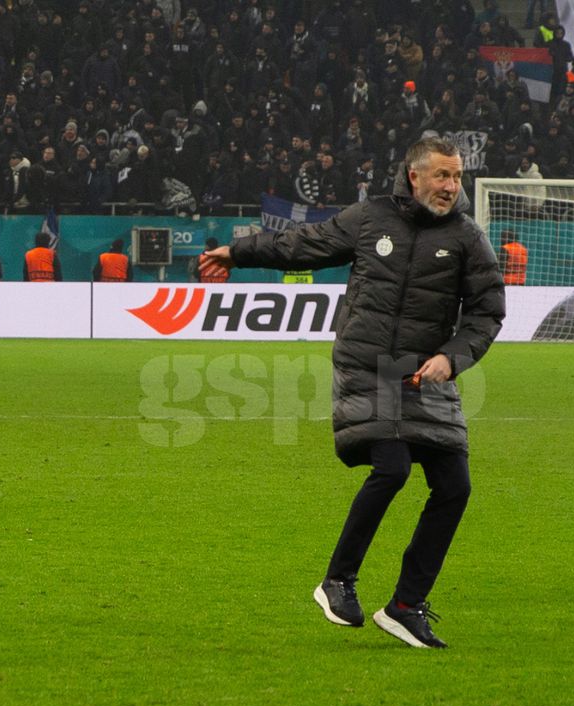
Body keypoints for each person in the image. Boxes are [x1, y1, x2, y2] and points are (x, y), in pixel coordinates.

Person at [199, 137, 505, 648]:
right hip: (369, 365)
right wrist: (238, 251)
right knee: (393, 467)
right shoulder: (371, 218)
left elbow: (486, 311)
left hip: (427, 373)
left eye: (456, 177)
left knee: (455, 487)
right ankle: (337, 581)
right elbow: (303, 244)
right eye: (442, 176)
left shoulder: (469, 238)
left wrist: (452, 357)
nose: (451, 186)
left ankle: (406, 606)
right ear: (415, 175)